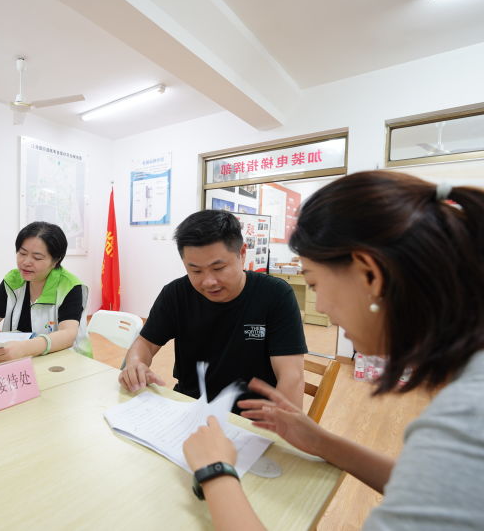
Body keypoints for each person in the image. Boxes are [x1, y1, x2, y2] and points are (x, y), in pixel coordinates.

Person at [183, 171, 484, 530]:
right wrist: (321, 442)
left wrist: (215, 470)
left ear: (370, 274)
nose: (322, 308)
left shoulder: (470, 413)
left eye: (314, 283)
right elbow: (436, 491)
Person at [119, 209, 306, 407]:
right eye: (196, 271)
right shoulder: (176, 294)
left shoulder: (275, 295)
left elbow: (291, 377)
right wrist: (135, 364)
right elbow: (145, 343)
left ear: (242, 254)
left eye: (218, 268)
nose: (209, 282)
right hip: (190, 406)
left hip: (252, 415)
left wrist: (281, 423)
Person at [0, 221, 90, 361]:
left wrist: (25, 348)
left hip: (67, 361)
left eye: (37, 257)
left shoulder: (69, 286)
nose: (26, 262)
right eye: (22, 253)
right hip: (21, 362)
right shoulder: (13, 280)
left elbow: (68, 334)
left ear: (55, 261)